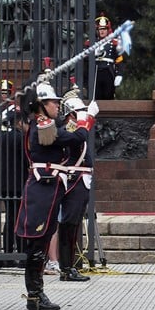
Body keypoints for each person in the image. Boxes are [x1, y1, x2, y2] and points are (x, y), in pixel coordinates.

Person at [15, 79, 94, 310]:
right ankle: (35, 295)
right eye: (53, 102)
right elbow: (75, 137)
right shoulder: (43, 126)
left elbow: (65, 132)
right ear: (41, 104)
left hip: (49, 188)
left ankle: (36, 294)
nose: (58, 105)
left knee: (42, 241)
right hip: (43, 190)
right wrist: (83, 119)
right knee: (38, 244)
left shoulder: (47, 124)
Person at [56, 87, 98, 281]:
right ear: (71, 114)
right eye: (77, 113)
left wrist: (88, 117)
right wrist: (88, 116)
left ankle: (68, 266)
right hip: (75, 180)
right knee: (69, 224)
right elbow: (80, 134)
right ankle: (66, 268)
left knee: (72, 225)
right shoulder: (68, 128)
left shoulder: (74, 127)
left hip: (82, 179)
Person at [0, 109, 27, 256]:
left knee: (10, 217)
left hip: (4, 184)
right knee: (20, 218)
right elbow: (26, 161)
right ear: (19, 122)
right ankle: (22, 251)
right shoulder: (21, 138)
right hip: (20, 184)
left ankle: (8, 252)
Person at [91, 15, 125, 101]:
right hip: (96, 71)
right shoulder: (91, 43)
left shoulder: (113, 42)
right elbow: (84, 57)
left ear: (108, 30)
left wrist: (119, 74)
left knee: (108, 95)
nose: (102, 31)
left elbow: (119, 59)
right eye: (100, 29)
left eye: (104, 29)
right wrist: (93, 54)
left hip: (108, 71)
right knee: (96, 95)